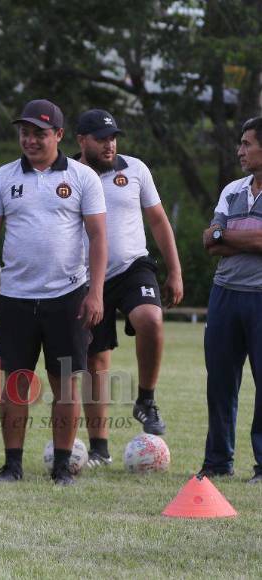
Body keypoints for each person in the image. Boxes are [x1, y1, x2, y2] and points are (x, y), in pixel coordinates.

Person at [0, 99, 107, 486]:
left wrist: (95, 292)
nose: (30, 140)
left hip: (68, 296)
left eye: (39, 133)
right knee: (15, 382)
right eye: (25, 132)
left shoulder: (83, 178)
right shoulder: (1, 178)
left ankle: (62, 466)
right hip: (15, 296)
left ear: (59, 136)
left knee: (65, 382)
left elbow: (98, 238)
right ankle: (11, 464)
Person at [75, 109, 183, 467]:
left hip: (133, 267)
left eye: (113, 138)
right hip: (88, 278)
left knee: (150, 319)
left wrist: (175, 271)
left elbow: (158, 220)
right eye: (101, 139)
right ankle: (99, 448)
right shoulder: (69, 175)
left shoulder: (135, 169)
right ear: (81, 141)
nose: (110, 145)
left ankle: (146, 399)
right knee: (95, 360)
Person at [201, 116, 262, 484]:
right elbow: (210, 242)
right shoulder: (232, 190)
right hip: (224, 295)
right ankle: (218, 462)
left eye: (247, 143)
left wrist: (228, 235)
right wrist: (242, 236)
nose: (239, 150)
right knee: (220, 382)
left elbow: (225, 237)